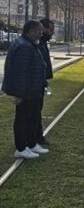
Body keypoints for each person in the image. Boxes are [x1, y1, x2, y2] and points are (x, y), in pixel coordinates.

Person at [1, 21, 50, 159]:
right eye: (39, 31)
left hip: (33, 89)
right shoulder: (24, 46)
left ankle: (32, 144)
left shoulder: (28, 44)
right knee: (23, 119)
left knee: (33, 118)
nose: (41, 33)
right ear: (30, 31)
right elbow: (20, 73)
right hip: (26, 92)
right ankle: (21, 148)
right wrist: (20, 94)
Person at [36, 18, 55, 146]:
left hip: (40, 82)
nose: (51, 32)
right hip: (35, 83)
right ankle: (32, 140)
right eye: (50, 30)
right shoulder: (37, 43)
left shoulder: (42, 43)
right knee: (33, 113)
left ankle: (37, 138)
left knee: (37, 112)